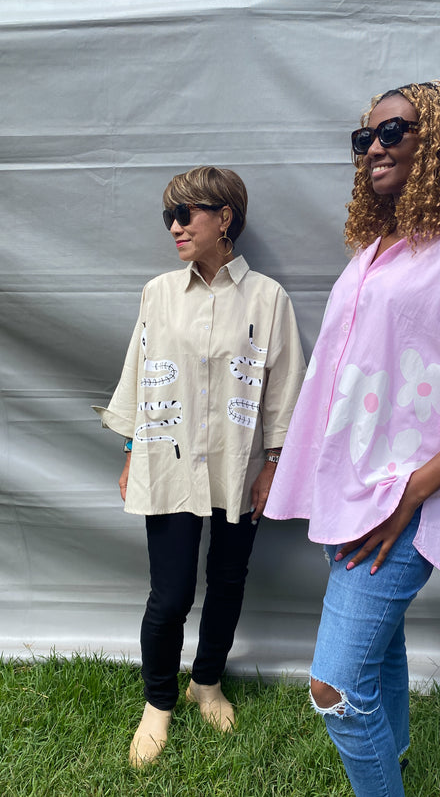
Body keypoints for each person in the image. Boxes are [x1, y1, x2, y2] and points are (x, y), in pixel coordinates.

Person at [265, 81, 440, 796]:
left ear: (438, 138)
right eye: (364, 139)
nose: (375, 148)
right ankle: (398, 763)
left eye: (393, 131)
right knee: (380, 652)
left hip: (409, 496)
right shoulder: (372, 254)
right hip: (351, 489)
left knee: (334, 686)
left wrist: (410, 492)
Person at [93, 166, 306, 768]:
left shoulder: (268, 299)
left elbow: (285, 386)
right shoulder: (157, 293)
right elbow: (140, 370)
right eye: (170, 217)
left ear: (226, 217)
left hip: (240, 465)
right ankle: (158, 702)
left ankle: (205, 681)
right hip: (170, 461)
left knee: (230, 579)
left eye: (187, 214)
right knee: (170, 593)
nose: (176, 227)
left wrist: (274, 464)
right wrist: (133, 452)